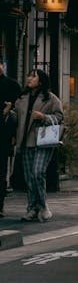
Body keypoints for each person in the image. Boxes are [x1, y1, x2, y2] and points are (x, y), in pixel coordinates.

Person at [3, 69, 63, 222]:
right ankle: (32, 208)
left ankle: (43, 206)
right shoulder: (22, 98)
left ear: (41, 81)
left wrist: (44, 117)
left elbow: (59, 117)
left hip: (43, 141)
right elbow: (16, 118)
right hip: (25, 141)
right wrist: (9, 112)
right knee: (30, 177)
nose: (29, 78)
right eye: (29, 76)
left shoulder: (50, 98)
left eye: (33, 76)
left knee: (37, 173)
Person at [0, 63, 21, 217]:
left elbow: (18, 112)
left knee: (1, 170)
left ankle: (0, 206)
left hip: (4, 134)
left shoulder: (12, 85)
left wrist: (15, 135)